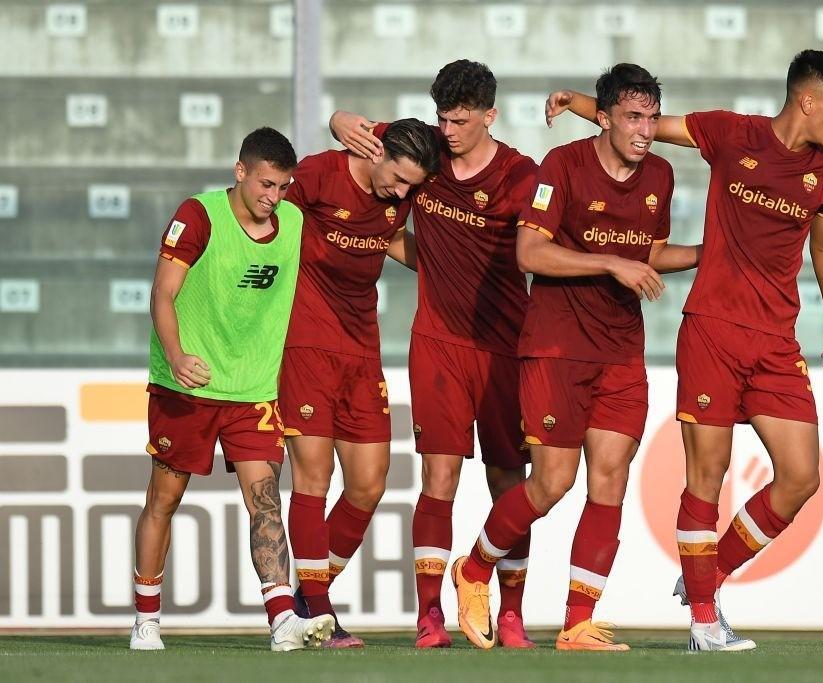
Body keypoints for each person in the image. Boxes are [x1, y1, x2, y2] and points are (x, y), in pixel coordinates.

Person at [546, 49, 823, 651]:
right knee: (706, 477)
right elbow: (640, 126)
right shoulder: (730, 133)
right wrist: (579, 103)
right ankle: (704, 622)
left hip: (777, 340)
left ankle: (705, 579)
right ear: (808, 99)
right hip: (711, 330)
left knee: (799, 478)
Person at [449, 63, 701, 652]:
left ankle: (577, 623)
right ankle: (474, 568)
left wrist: (709, 256)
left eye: (651, 118)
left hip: (620, 352)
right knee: (553, 482)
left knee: (609, 481)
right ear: (606, 116)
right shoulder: (561, 167)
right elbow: (531, 253)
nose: (645, 130)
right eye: (633, 117)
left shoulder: (661, 174)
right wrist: (611, 264)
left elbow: (651, 252)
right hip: (556, 347)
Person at [329, 60, 540, 649]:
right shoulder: (426, 152)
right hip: (438, 344)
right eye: (443, 116)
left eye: (461, 119)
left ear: (490, 116)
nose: (448, 129)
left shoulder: (523, 175)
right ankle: (429, 617)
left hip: (504, 349)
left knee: (508, 478)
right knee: (438, 477)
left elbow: (544, 248)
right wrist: (340, 115)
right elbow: (350, 128)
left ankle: (514, 613)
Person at [131, 128, 335, 651]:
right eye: (266, 183)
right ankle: (146, 621)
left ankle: (282, 619)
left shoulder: (293, 222)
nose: (274, 196)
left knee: (265, 501)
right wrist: (176, 358)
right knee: (165, 499)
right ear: (240, 172)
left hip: (254, 390)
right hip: (188, 388)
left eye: (284, 187)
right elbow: (162, 293)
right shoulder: (198, 216)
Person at [279, 119, 440, 647]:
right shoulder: (320, 175)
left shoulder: (401, 195)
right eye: (396, 177)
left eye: (411, 186)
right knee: (313, 477)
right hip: (303, 342)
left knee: (370, 482)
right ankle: (320, 616)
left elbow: (392, 238)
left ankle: (307, 593)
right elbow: (262, 215)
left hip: (361, 348)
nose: (401, 192)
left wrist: (453, 269)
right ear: (375, 151)